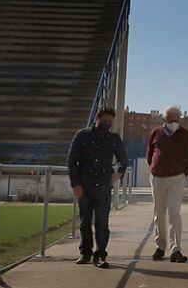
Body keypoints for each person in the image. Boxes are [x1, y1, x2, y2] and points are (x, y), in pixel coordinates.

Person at [67, 106, 127, 268]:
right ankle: (85, 253)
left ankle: (100, 255)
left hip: (103, 186)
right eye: (104, 120)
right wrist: (75, 183)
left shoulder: (113, 138)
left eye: (110, 122)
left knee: (102, 222)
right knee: (85, 221)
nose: (107, 124)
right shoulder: (82, 135)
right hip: (84, 184)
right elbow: (72, 161)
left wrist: (119, 173)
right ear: (97, 118)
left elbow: (123, 159)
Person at [147, 105, 188, 263]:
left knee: (174, 214)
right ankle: (160, 247)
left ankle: (175, 249)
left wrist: (183, 173)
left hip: (177, 178)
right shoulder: (156, 133)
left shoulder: (185, 134)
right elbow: (149, 153)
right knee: (159, 215)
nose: (173, 122)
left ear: (179, 119)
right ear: (164, 119)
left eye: (176, 119)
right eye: (170, 120)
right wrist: (155, 168)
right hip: (157, 178)